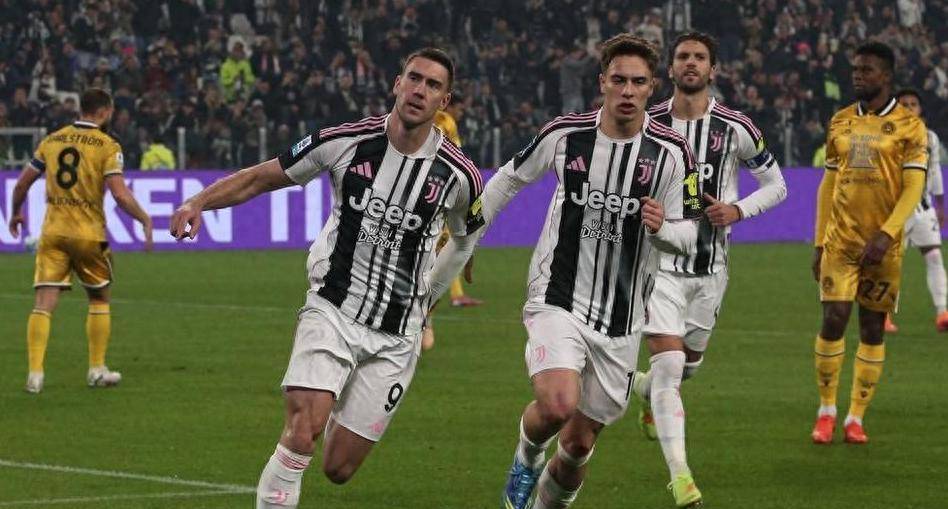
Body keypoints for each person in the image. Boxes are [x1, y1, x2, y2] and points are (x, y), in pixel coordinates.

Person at [169, 48, 484, 509]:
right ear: (397, 84)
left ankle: (335, 398)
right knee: (302, 432)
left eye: (433, 85)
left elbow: (465, 237)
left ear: (445, 101)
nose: (420, 90)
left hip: (397, 336)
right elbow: (262, 177)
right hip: (333, 310)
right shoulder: (345, 142)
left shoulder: (459, 175)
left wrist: (429, 298)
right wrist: (198, 201)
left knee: (339, 467)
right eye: (414, 78)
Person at [466, 34, 701, 509]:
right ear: (602, 83)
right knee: (557, 404)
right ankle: (526, 458)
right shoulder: (566, 135)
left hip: (622, 318)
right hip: (559, 295)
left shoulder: (673, 153)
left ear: (652, 87)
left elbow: (689, 234)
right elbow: (509, 178)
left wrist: (662, 230)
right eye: (619, 80)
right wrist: (469, 235)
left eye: (638, 82)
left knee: (577, 445)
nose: (628, 91)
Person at [629, 32, 787, 507]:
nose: (691, 63)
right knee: (670, 365)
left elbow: (777, 185)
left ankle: (644, 390)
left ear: (712, 69)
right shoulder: (648, 123)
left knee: (688, 367)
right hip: (657, 266)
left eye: (699, 57)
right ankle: (681, 477)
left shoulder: (736, 127)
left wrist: (737, 210)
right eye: (683, 56)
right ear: (670, 68)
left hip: (710, 269)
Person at [810, 42, 928, 445]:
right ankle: (826, 410)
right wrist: (819, 241)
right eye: (856, 69)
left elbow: (913, 187)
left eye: (867, 70)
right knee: (834, 318)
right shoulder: (840, 121)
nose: (858, 76)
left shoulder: (910, 126)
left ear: (886, 76)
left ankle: (855, 417)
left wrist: (887, 233)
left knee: (873, 327)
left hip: (884, 248)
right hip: (841, 242)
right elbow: (828, 184)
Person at [7, 88, 154, 394]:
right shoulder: (107, 145)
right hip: (89, 235)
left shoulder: (52, 140)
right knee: (99, 299)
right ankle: (96, 369)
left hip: (53, 232)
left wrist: (16, 213)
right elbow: (120, 194)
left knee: (43, 304)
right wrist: (144, 219)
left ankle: (35, 374)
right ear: (104, 111)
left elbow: (21, 184)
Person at [885, 88, 947, 332]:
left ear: (920, 109)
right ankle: (884, 315)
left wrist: (940, 204)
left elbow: (935, 170)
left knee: (934, 256)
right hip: (895, 208)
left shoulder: (930, 137)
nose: (909, 108)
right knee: (891, 263)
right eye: (904, 104)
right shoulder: (886, 135)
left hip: (923, 207)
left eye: (913, 104)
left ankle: (942, 312)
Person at [424, 93, 481, 351]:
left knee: (440, 246)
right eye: (461, 109)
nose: (461, 113)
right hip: (432, 192)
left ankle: (428, 311)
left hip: (432, 191)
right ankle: (425, 311)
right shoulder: (442, 122)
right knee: (441, 247)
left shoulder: (436, 121)